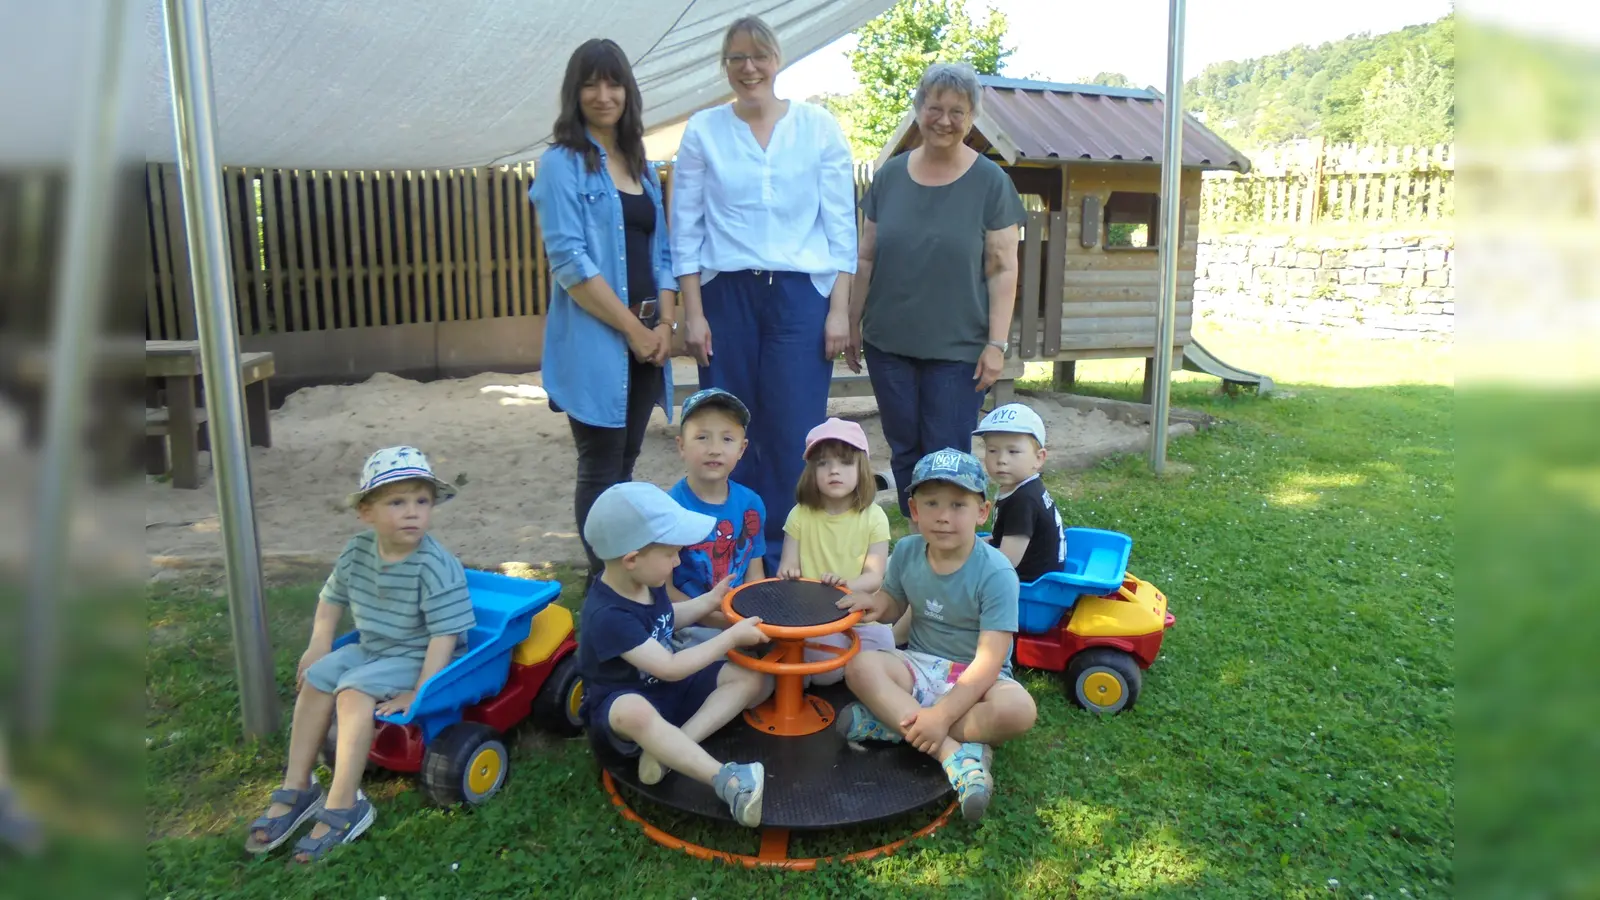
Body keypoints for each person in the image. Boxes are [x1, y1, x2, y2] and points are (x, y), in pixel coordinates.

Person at [670, 14, 858, 574]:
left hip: (802, 296)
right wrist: (693, 314)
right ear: (724, 67)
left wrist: (839, 310)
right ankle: (727, 555)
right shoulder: (703, 129)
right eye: (736, 58)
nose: (748, 68)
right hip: (726, 294)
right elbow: (686, 228)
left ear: (778, 59)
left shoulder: (818, 127)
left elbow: (840, 227)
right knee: (727, 425)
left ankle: (785, 557)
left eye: (758, 55)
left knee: (793, 425)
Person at [246, 447, 474, 862]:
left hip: (418, 656)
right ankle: (298, 787)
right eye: (397, 502)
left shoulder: (435, 565)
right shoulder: (357, 551)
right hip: (373, 648)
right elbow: (332, 598)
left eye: (422, 501)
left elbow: (444, 635)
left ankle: (345, 804)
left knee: (351, 691)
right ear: (366, 512)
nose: (412, 513)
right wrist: (319, 644)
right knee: (318, 678)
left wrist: (420, 691)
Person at [845, 61, 1025, 519]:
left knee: (946, 452)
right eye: (935, 108)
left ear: (972, 117)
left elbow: (1003, 268)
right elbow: (866, 256)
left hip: (959, 348)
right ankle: (915, 539)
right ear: (918, 110)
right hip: (889, 342)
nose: (944, 120)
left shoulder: (991, 182)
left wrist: (996, 344)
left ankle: (951, 541)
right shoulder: (889, 176)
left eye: (957, 111)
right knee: (904, 446)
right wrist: (851, 323)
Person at [531, 38, 679, 589]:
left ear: (627, 90)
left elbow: (662, 252)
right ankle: (603, 591)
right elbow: (570, 263)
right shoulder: (560, 164)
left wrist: (664, 326)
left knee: (625, 467)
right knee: (600, 468)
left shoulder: (639, 164)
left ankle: (619, 586)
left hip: (648, 339)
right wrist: (634, 331)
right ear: (575, 92)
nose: (603, 94)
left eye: (612, 82)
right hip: (598, 343)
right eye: (590, 83)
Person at [834, 449, 1038, 822]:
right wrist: (874, 604)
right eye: (931, 503)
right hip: (920, 665)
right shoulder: (909, 551)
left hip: (977, 675)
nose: (943, 516)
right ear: (914, 510)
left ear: (982, 512)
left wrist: (942, 713)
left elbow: (990, 661)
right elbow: (894, 602)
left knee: (1019, 710)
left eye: (958, 505)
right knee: (860, 666)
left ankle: (895, 725)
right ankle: (952, 752)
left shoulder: (997, 573)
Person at [576, 482, 775, 827]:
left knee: (755, 678)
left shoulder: (645, 584)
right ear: (632, 559)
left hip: (666, 693)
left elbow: (668, 620)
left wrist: (707, 602)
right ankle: (728, 781)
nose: (678, 560)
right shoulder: (608, 615)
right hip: (626, 707)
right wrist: (729, 638)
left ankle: (671, 748)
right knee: (633, 710)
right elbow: (669, 667)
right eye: (671, 554)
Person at [776, 417, 895, 684]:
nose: (833, 471)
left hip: (857, 616)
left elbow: (874, 576)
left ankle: (853, 674)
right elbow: (786, 567)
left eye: (845, 462)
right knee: (826, 674)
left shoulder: (873, 517)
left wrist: (846, 584)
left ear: (862, 468)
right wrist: (790, 572)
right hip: (813, 616)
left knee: (886, 643)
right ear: (811, 472)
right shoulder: (800, 515)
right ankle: (831, 673)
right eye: (823, 463)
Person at [667, 388, 766, 647]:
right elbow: (663, 590)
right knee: (753, 678)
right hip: (689, 627)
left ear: (742, 448)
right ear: (681, 446)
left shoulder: (751, 504)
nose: (714, 449)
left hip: (740, 618)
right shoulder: (669, 508)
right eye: (702, 437)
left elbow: (754, 574)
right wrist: (721, 621)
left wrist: (750, 616)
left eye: (727, 439)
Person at [973, 403, 1067, 583]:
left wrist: (966, 561)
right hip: (1032, 568)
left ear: (1038, 458)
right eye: (992, 450)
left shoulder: (1024, 500)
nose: (1001, 460)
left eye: (1013, 451)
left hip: (1031, 582)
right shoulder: (1022, 487)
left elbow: (1007, 560)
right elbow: (1006, 536)